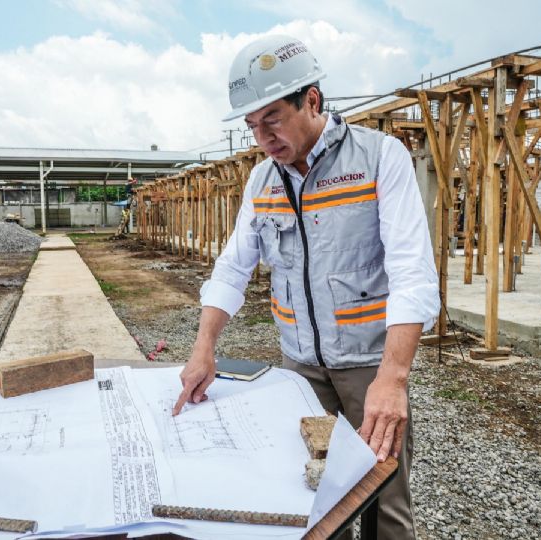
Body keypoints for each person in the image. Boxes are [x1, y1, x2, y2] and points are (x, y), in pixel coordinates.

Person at [171, 35, 439, 538]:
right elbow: (232, 268)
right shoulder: (261, 182)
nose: (262, 137)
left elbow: (412, 273)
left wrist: (393, 379)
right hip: (300, 369)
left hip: (367, 367)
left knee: (384, 503)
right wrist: (203, 348)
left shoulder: (380, 159)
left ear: (311, 100)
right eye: (252, 126)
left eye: (271, 118)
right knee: (312, 499)